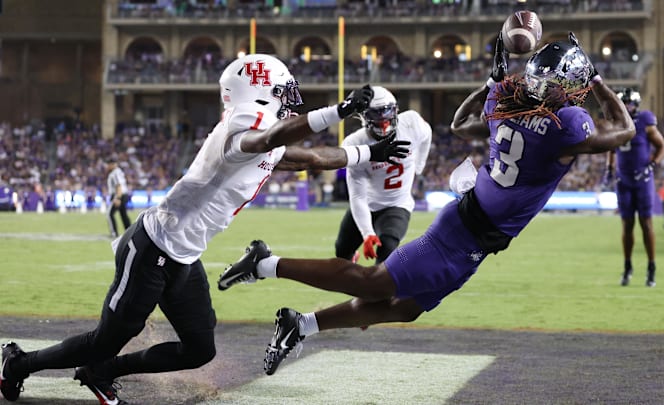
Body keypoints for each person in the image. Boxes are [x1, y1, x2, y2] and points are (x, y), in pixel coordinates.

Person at [217, 33, 636, 376]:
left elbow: (458, 123)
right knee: (373, 283)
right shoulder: (567, 126)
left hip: (476, 231)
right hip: (465, 232)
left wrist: (490, 85)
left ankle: (300, 324)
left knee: (405, 309)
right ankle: (265, 263)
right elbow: (624, 129)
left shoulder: (503, 104)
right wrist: (598, 80)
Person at [0, 54, 409, 404]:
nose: (289, 101)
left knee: (199, 348)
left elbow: (313, 159)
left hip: (184, 256)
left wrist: (367, 152)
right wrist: (337, 111)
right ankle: (19, 362)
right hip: (152, 249)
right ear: (258, 92)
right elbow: (272, 136)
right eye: (283, 92)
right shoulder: (239, 135)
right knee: (106, 338)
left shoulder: (264, 135)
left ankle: (100, 372)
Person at [334, 86, 432, 263]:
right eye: (376, 114)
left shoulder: (411, 123)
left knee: (387, 246)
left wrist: (420, 164)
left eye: (386, 111)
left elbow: (427, 134)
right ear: (364, 116)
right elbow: (357, 196)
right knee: (342, 251)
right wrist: (368, 233)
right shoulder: (354, 143)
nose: (383, 119)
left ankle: (377, 288)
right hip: (368, 204)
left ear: (395, 110)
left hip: (397, 204)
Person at [603, 88, 664, 287]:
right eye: (624, 104)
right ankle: (628, 266)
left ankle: (651, 267)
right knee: (627, 225)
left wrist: (652, 165)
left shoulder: (644, 122)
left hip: (642, 180)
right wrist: (609, 168)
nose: (627, 107)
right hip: (623, 181)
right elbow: (612, 149)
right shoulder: (616, 124)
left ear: (636, 105)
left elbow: (662, 147)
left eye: (629, 104)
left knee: (646, 224)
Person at [106, 158, 132, 238]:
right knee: (123, 214)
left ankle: (114, 233)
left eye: (108, 165)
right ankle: (130, 232)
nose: (107, 167)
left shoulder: (114, 173)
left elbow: (118, 185)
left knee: (109, 214)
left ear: (112, 164)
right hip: (123, 194)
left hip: (119, 195)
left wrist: (118, 198)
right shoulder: (119, 172)